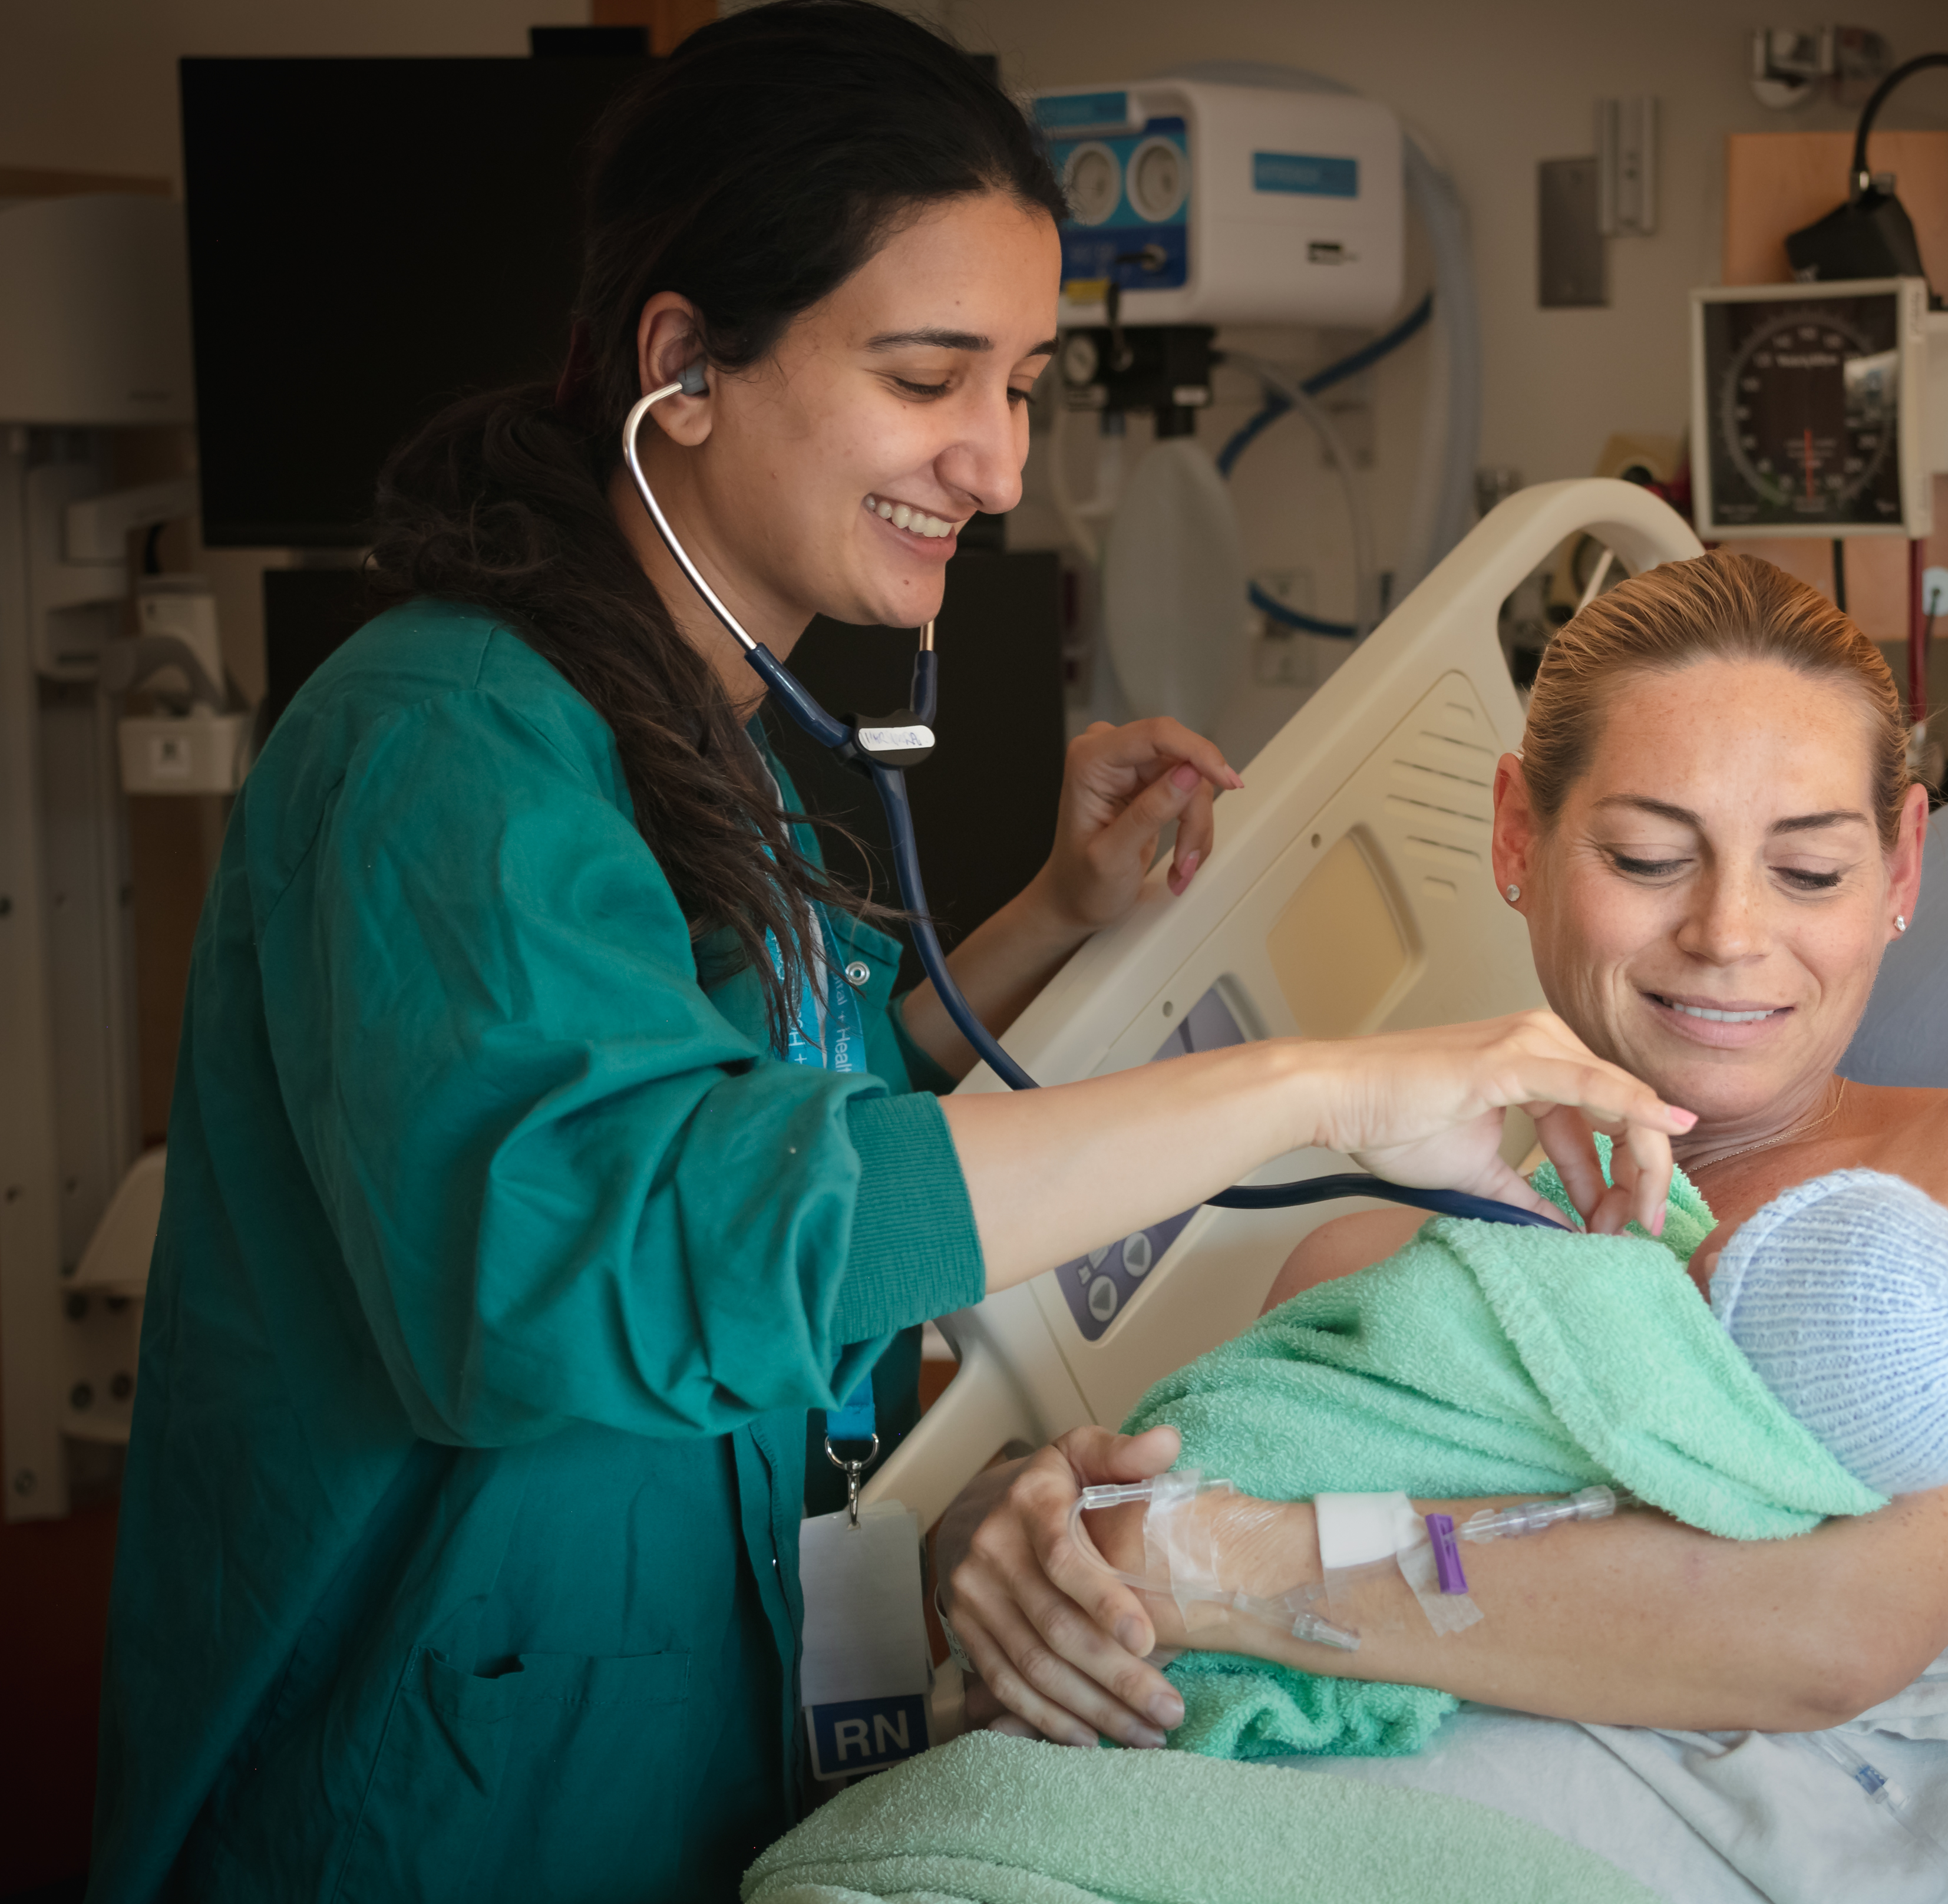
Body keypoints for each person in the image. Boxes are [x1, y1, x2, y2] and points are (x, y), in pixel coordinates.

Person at [87, 9, 1689, 1898]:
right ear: (682, 363)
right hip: (445, 1788)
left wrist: (1046, 930)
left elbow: (791, 1123)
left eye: (1022, 384)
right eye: (932, 375)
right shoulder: (445, 747)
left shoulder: (698, 729)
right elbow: (612, 1247)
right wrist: (1335, 1086)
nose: (1000, 464)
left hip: (677, 1737)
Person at [936, 549, 1948, 1750]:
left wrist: (1217, 1555)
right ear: (1517, 834)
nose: (1726, 931)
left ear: (1902, 866)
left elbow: (1841, 1633)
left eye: (1809, 868)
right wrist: (1049, 1540)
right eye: (1647, 856)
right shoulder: (1376, 1268)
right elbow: (1187, 1548)